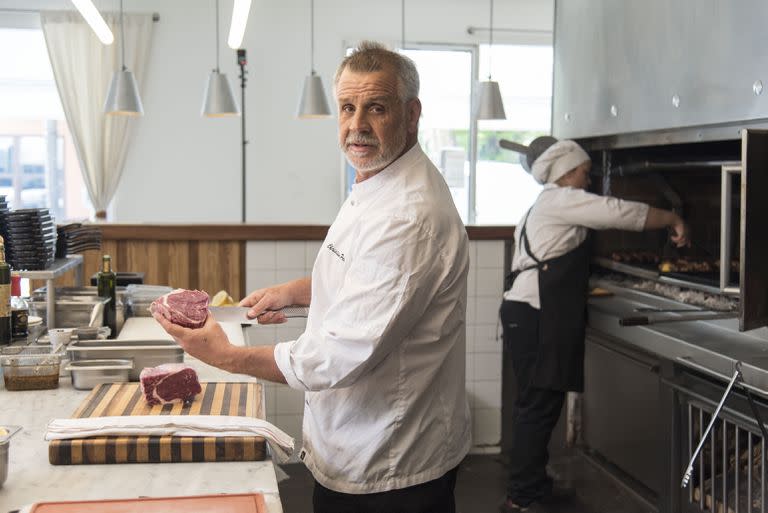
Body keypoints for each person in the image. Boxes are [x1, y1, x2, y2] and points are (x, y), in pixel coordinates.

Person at [154, 41, 471, 513]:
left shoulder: (408, 215)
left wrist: (225, 356)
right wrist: (296, 291)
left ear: (411, 114)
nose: (356, 125)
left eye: (376, 108)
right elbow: (364, 275)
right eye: (347, 107)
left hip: (389, 464)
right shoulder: (378, 177)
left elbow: (337, 355)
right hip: (359, 439)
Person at [498, 140, 690, 513]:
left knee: (538, 405)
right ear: (567, 172)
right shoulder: (560, 199)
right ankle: (522, 499)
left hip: (529, 312)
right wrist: (672, 218)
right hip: (536, 311)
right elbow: (617, 212)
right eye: (585, 172)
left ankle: (531, 486)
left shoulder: (547, 203)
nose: (588, 179)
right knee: (538, 407)